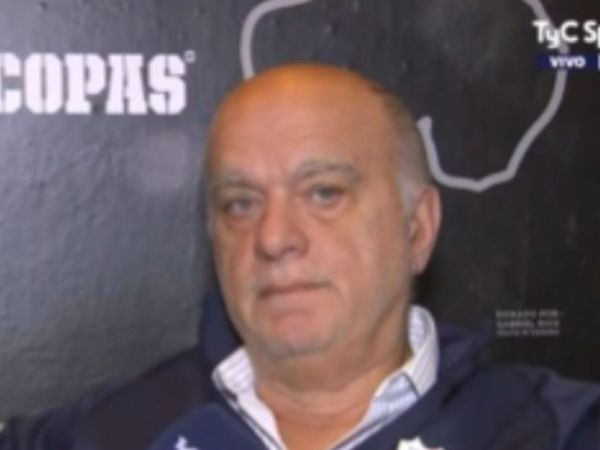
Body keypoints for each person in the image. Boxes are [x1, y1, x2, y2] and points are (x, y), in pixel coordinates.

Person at [1, 64, 598, 450]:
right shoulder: (117, 428)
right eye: (240, 204)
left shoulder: (556, 429)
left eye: (324, 193)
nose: (273, 237)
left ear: (417, 228)